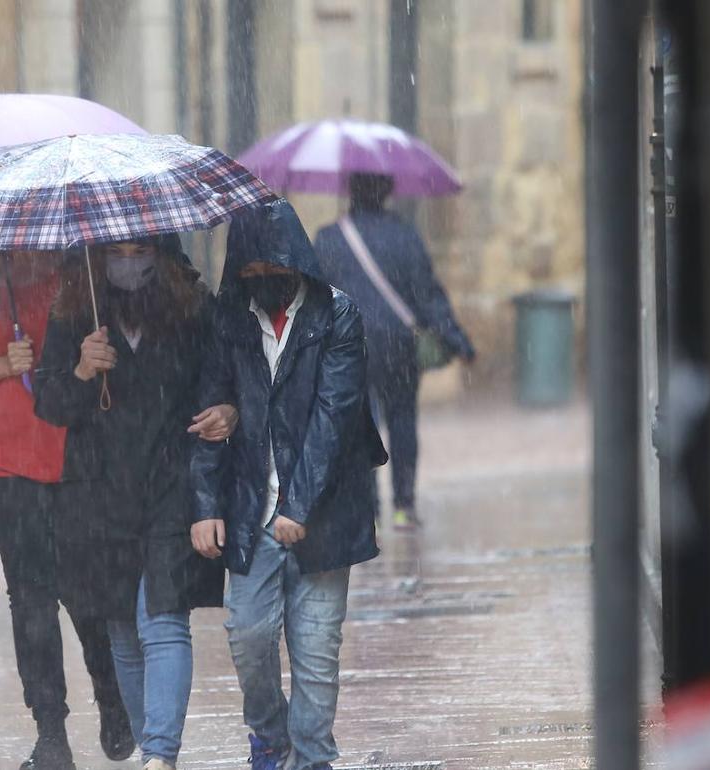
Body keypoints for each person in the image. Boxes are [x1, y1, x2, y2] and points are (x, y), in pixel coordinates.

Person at [190, 200, 388, 770]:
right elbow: (208, 414)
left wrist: (299, 505)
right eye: (249, 272)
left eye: (271, 268)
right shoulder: (229, 321)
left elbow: (334, 416)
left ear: (295, 260)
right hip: (252, 509)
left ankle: (313, 758)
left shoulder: (338, 317)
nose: (261, 281)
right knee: (248, 639)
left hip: (325, 514)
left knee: (317, 653)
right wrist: (205, 502)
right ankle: (270, 738)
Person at [34, 236, 237, 770]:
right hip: (100, 493)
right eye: (116, 252)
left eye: (139, 250)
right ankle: (153, 747)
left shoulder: (194, 307)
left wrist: (226, 411)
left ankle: (161, 757)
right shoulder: (75, 311)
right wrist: (80, 371)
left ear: (161, 250)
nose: (129, 263)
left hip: (171, 482)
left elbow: (224, 379)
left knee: (164, 617)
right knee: (122, 626)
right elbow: (49, 403)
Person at [0, 250, 133, 770]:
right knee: (30, 594)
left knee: (83, 586)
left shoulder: (77, 272)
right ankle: (51, 731)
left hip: (70, 456)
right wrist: (4, 363)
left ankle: (111, 697)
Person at [313, 173, 475, 530]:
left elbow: (315, 299)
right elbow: (428, 295)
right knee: (402, 422)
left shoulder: (329, 239)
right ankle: (404, 504)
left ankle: (368, 506)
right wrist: (459, 341)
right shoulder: (405, 237)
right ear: (388, 192)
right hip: (399, 348)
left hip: (350, 346)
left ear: (350, 192)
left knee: (358, 425)